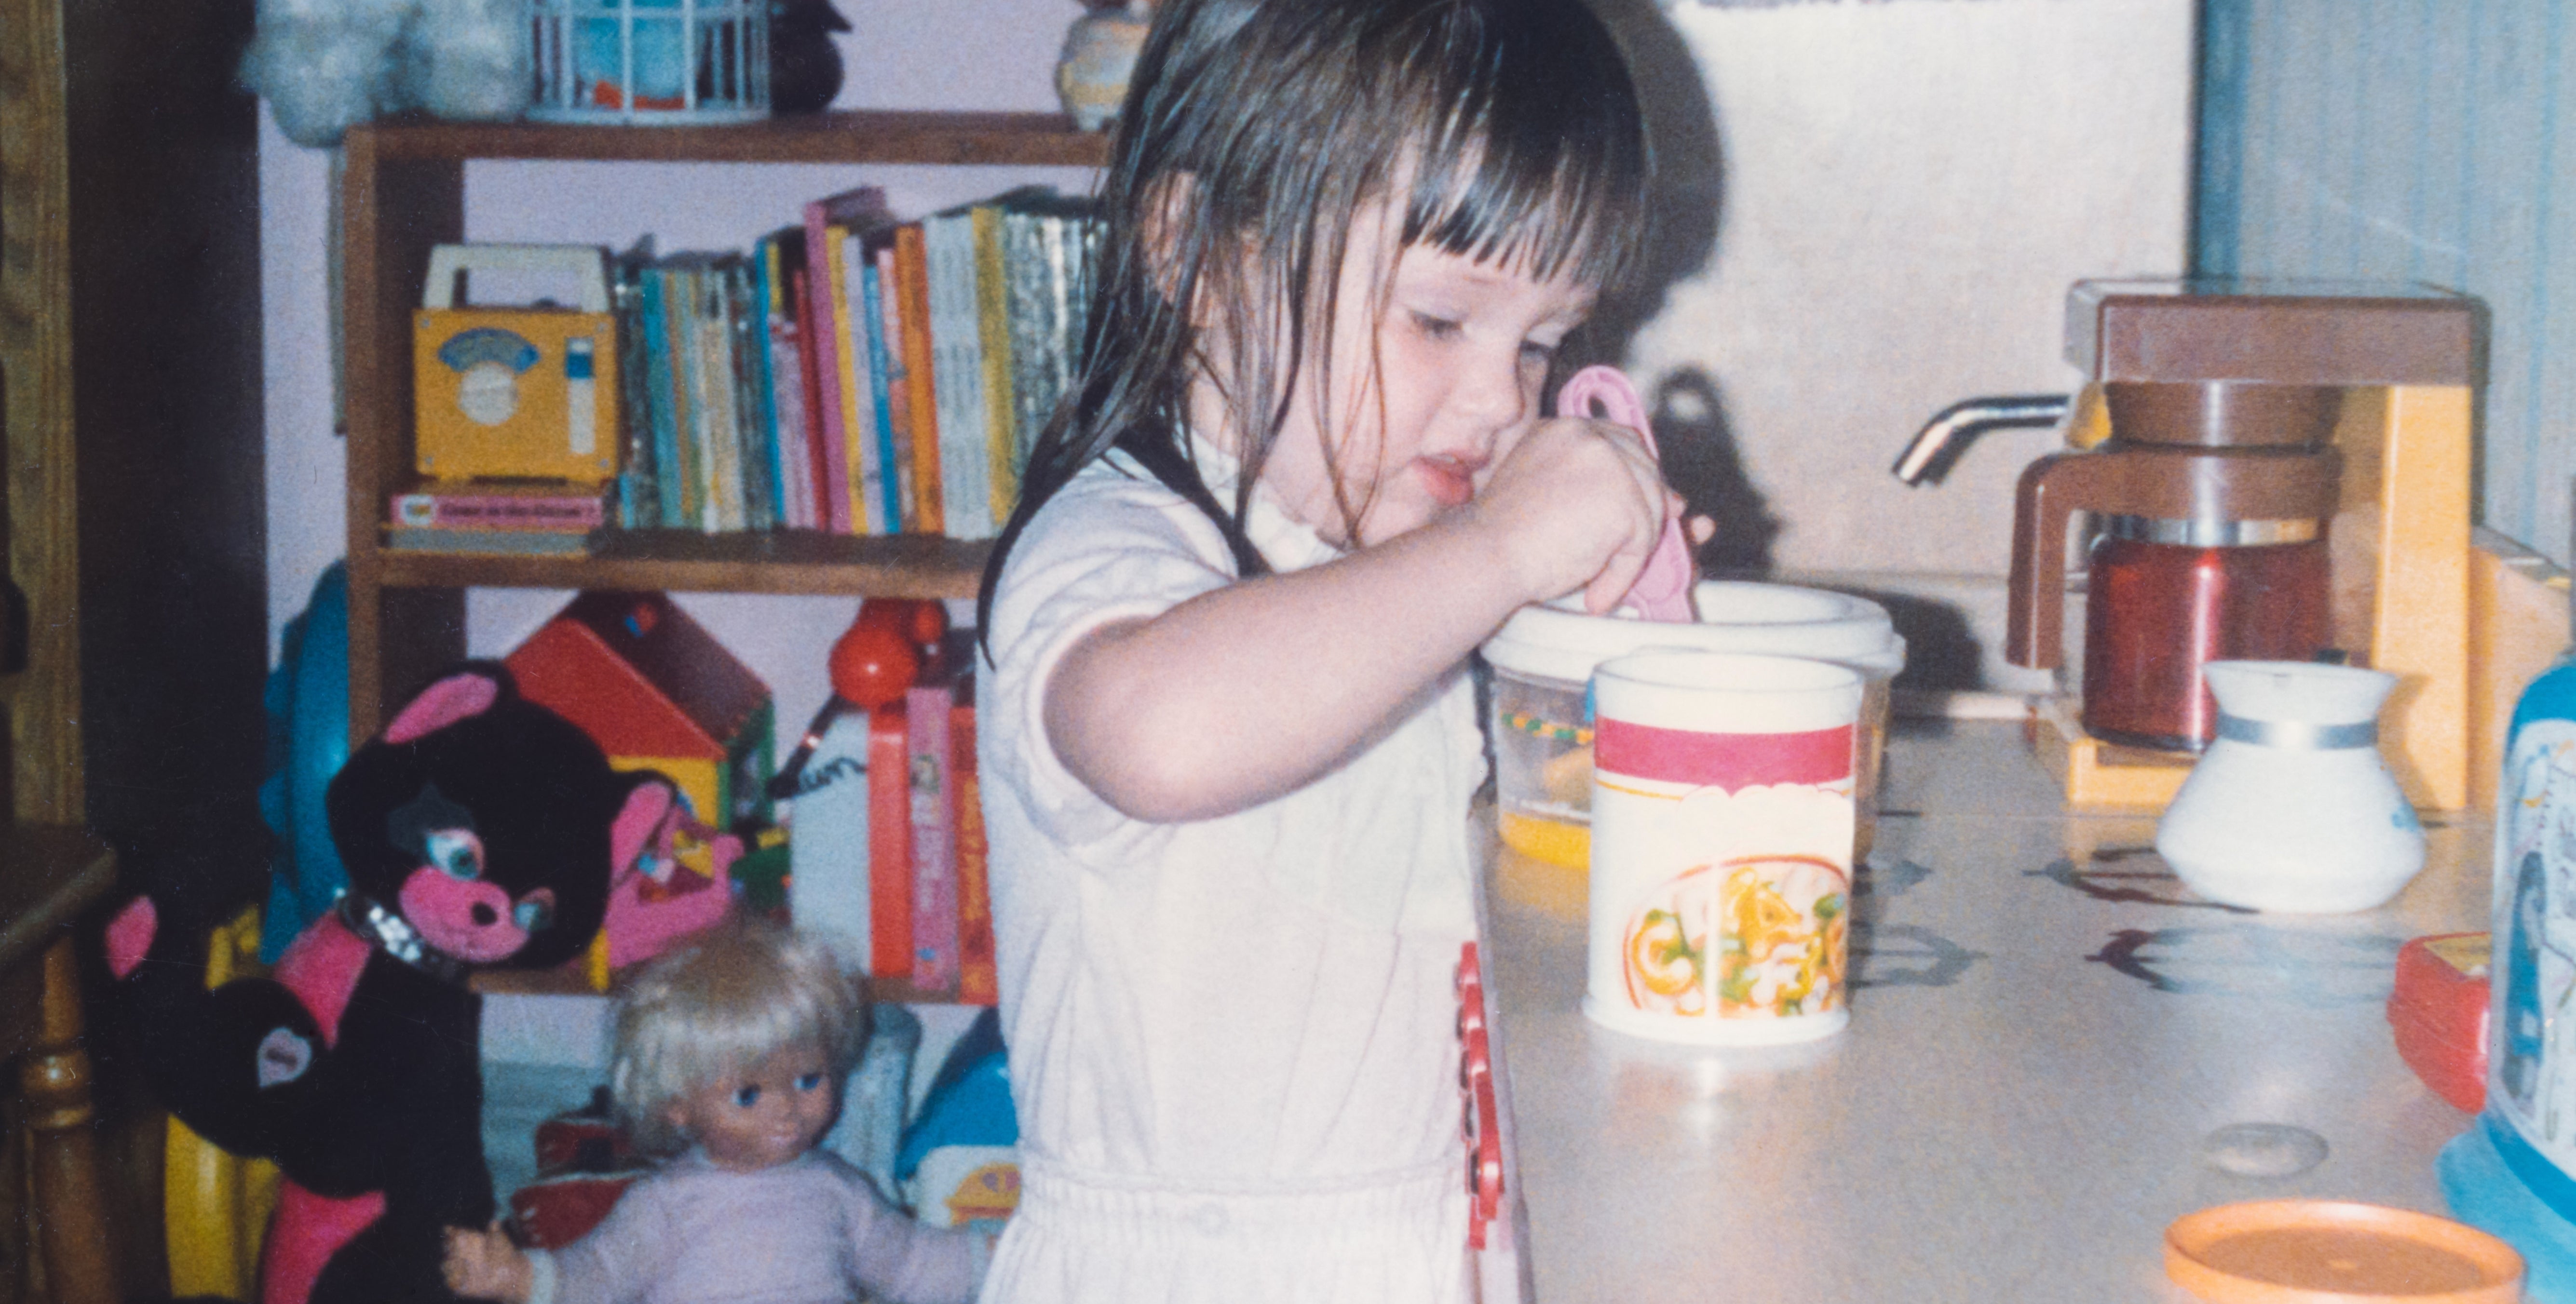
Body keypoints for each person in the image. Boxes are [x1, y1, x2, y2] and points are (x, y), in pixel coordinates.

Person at [974, 0, 1692, 1298]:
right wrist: (1501, 555)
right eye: (1436, 321)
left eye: (1537, 343)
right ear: (1194, 254)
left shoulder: (1384, 555)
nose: (1498, 398)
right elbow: (1158, 730)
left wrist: (1607, 626)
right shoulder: (1114, 544)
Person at [439, 923, 987, 1304]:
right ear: (677, 1105)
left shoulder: (839, 1187)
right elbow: (597, 1276)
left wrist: (1008, 1250)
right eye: (747, 1094)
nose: (788, 1108)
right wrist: (515, 1277)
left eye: (808, 1078)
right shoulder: (667, 1202)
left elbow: (915, 1262)